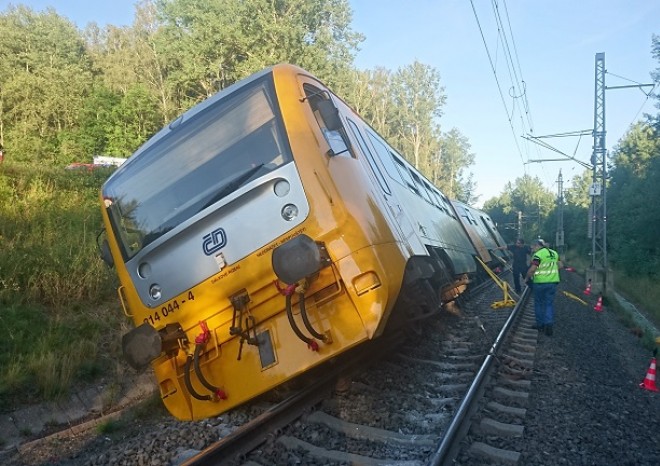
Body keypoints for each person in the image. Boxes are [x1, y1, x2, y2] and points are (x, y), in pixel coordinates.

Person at [525, 239, 562, 336]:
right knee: (548, 304)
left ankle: (540, 325)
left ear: (537, 246)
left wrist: (527, 278)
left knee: (539, 304)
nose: (532, 249)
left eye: (533, 247)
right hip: (553, 282)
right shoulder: (554, 253)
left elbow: (532, 270)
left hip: (540, 283)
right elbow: (561, 265)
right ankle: (549, 324)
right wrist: (551, 271)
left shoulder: (538, 255)